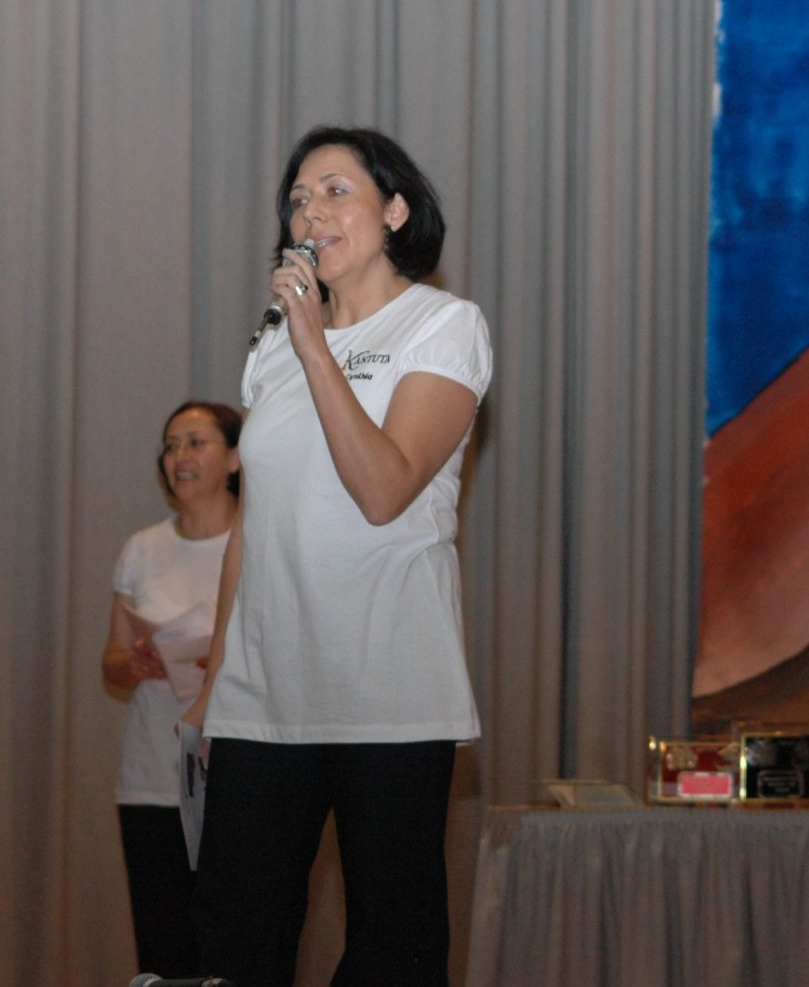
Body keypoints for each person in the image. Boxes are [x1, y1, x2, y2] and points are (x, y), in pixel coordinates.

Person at [184, 126, 493, 986]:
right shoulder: (270, 350)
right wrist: (216, 684)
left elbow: (384, 489)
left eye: (334, 191)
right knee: (235, 944)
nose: (309, 212)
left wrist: (317, 345)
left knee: (392, 949)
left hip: (387, 694)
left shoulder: (444, 325)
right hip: (263, 695)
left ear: (394, 210)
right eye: (297, 199)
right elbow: (252, 528)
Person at [101, 400, 243, 979]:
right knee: (163, 945)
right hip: (152, 777)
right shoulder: (143, 547)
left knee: (234, 944)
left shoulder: (258, 540)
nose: (179, 456)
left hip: (234, 774)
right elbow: (111, 662)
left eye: (196, 442)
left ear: (234, 459)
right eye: (170, 445)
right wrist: (134, 663)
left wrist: (224, 662)